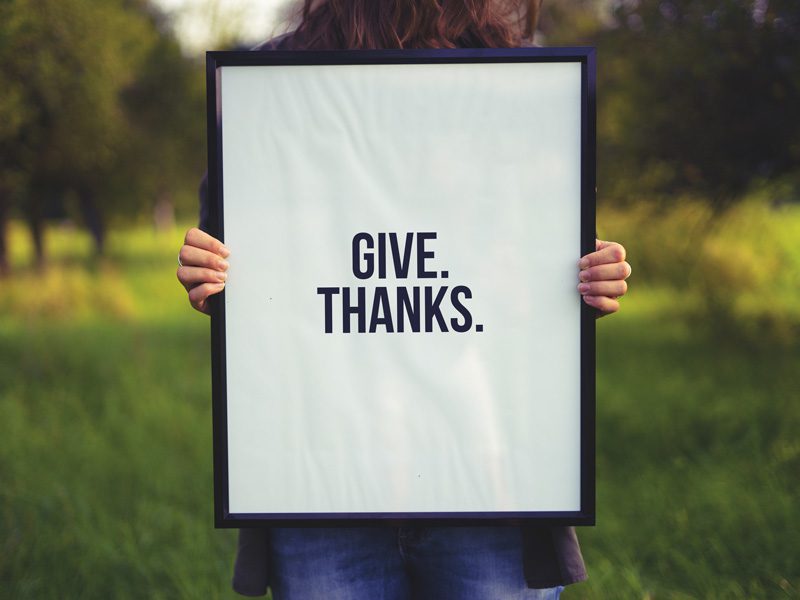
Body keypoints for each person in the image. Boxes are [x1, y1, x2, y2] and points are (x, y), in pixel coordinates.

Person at [177, 1, 632, 598]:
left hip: (486, 474)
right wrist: (208, 273)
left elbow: (533, 253)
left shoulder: (518, 78)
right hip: (322, 481)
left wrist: (587, 277)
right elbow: (240, 260)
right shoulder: (271, 81)